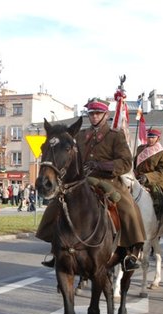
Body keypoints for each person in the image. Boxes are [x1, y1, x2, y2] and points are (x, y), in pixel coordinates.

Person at [36, 97, 146, 272]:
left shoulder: (115, 136)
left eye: (98, 113)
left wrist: (103, 165)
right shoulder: (79, 136)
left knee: (128, 207)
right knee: (56, 204)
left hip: (109, 180)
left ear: (105, 114)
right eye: (91, 113)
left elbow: (126, 163)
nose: (94, 116)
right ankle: (55, 247)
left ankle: (131, 252)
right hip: (82, 180)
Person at [134, 127, 163, 237]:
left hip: (154, 181)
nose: (150, 139)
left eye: (153, 137)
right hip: (137, 180)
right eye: (149, 136)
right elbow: (135, 164)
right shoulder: (140, 149)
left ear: (158, 138)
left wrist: (147, 177)